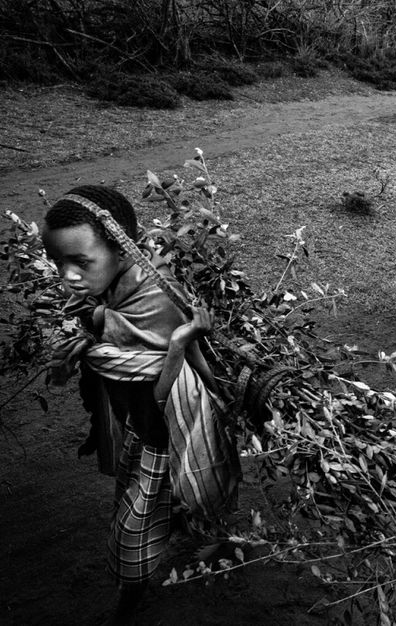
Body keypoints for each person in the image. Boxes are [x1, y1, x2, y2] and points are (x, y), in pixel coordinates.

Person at [41, 185, 239, 624]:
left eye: (80, 262)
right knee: (165, 507)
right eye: (59, 262)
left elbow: (165, 392)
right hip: (140, 432)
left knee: (137, 529)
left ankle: (130, 602)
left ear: (119, 249)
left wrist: (179, 344)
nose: (67, 276)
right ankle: (218, 538)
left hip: (169, 437)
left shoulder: (156, 301)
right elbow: (100, 326)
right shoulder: (111, 293)